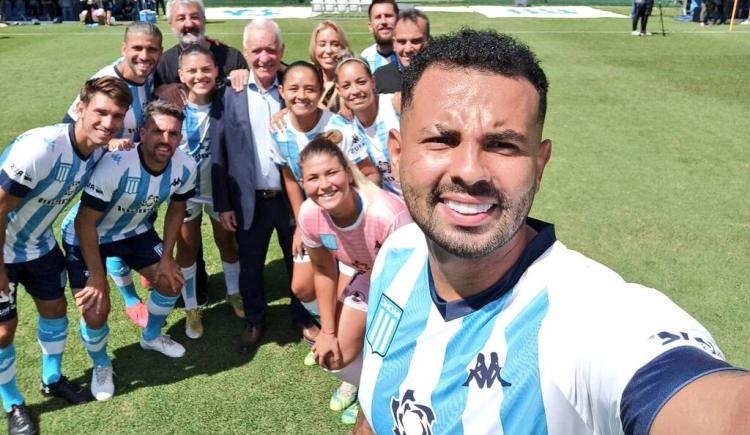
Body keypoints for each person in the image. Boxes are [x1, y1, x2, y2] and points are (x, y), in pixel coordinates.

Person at [357, 29, 750, 434]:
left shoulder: (585, 318)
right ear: (398, 152)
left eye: (503, 145)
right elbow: (376, 400)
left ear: (539, 164)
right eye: (442, 140)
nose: (470, 170)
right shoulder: (397, 254)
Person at [0, 76, 131, 435]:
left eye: (117, 116)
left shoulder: (97, 150)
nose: (108, 122)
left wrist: (117, 143)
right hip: (2, 248)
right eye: (101, 112)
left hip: (39, 245)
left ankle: (52, 379)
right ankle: (13, 403)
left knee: (55, 309)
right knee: (3, 330)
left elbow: (110, 145)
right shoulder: (41, 149)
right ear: (80, 108)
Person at [68, 101, 196, 383]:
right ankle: (101, 365)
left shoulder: (186, 166)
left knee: (172, 281)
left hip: (134, 230)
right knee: (96, 311)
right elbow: (85, 221)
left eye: (173, 133)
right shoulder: (116, 165)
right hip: (88, 235)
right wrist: (97, 277)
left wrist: (167, 258)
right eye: (158, 132)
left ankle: (150, 337)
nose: (166, 139)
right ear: (143, 132)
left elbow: (177, 208)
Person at [212, 19, 318, 354]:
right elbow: (220, 150)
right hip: (248, 200)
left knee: (298, 260)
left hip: (291, 198)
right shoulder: (230, 93)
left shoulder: (295, 89)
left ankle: (301, 316)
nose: (264, 57)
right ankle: (255, 318)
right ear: (245, 53)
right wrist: (223, 203)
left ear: (282, 51)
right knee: (251, 265)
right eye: (256, 50)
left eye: (271, 49)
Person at [297, 133, 411, 424]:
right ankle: (370, 391)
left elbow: (411, 281)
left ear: (348, 173)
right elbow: (323, 271)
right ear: (303, 183)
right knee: (331, 357)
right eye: (313, 178)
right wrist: (328, 332)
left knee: (389, 349)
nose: (323, 185)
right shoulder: (310, 214)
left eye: (332, 172)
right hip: (368, 277)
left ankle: (391, 396)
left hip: (409, 286)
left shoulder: (386, 213)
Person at [62, 22, 163, 330]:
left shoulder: (151, 77)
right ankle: (130, 299)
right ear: (123, 49)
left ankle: (135, 283)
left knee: (128, 231)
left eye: (151, 49)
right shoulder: (104, 81)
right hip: (104, 183)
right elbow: (69, 128)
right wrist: (107, 142)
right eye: (137, 48)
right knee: (105, 231)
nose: (144, 55)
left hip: (140, 182)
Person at [174, 45, 240, 339]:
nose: (199, 75)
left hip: (218, 191)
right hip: (184, 193)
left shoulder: (228, 102)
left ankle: (234, 293)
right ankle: (191, 306)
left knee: (226, 241)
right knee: (187, 248)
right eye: (192, 70)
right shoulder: (173, 108)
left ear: (216, 72)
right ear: (181, 75)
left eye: (205, 69)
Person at [335, 57, 401, 195]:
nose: (355, 91)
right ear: (339, 90)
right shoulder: (344, 126)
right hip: (391, 205)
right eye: (346, 86)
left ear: (373, 82)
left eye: (361, 82)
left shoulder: (396, 104)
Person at [373, 9, 430, 94]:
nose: (408, 49)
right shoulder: (380, 78)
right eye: (402, 42)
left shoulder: (442, 76)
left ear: (428, 42)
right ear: (394, 44)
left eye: (415, 41)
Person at [308, 20, 352, 113]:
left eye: (335, 44)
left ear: (343, 48)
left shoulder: (350, 82)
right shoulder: (308, 75)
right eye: (322, 44)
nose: (328, 50)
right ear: (314, 47)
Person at [361, 0, 398, 73]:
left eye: (388, 16)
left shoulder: (407, 56)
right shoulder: (365, 58)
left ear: (398, 21)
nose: (383, 21)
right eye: (378, 17)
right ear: (370, 26)